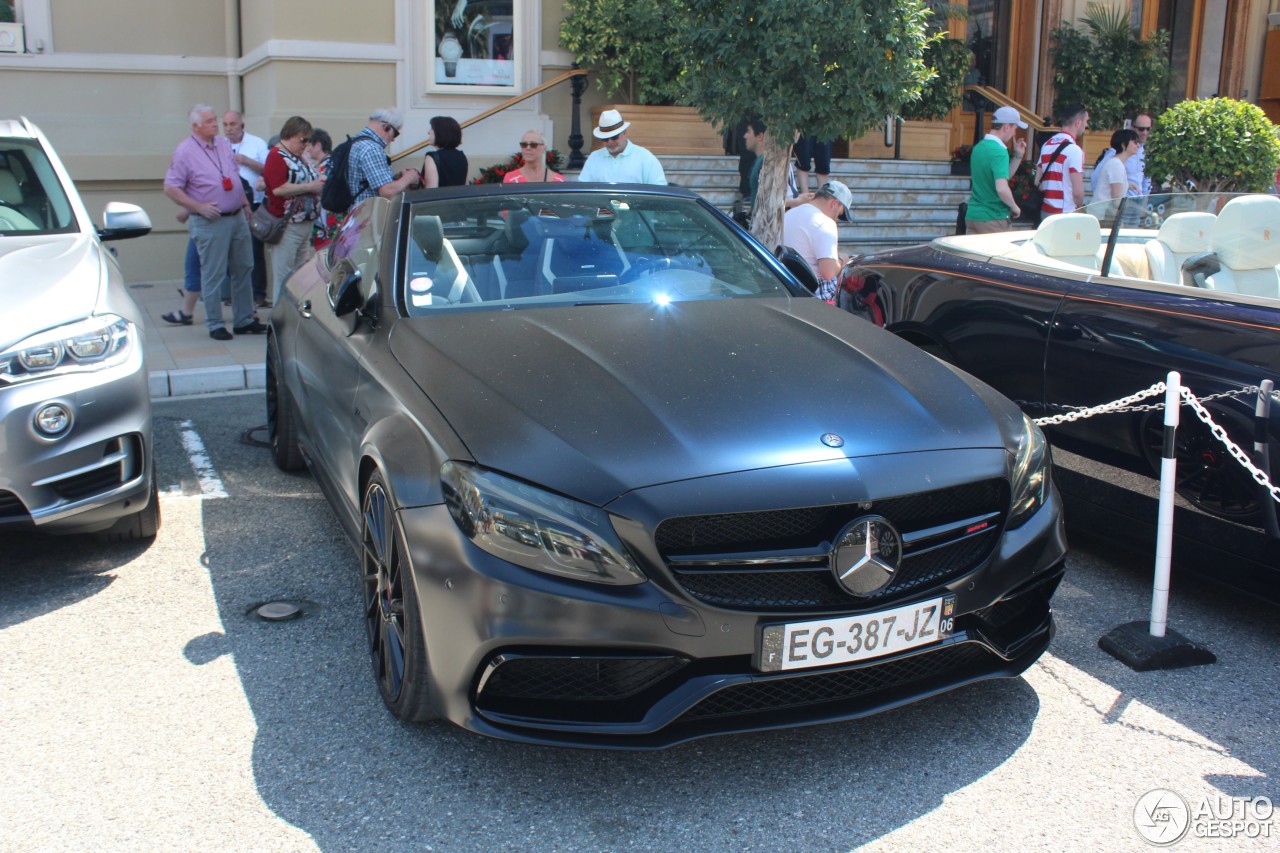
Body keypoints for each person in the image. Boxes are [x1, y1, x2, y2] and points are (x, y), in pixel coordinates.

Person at [162, 104, 264, 340]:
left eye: (214, 119)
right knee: (213, 273)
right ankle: (215, 323)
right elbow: (170, 187)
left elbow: (232, 176)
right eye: (209, 121)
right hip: (210, 220)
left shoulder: (222, 144)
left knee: (244, 267)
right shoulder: (185, 151)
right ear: (196, 126)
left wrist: (245, 204)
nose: (215, 124)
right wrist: (197, 207)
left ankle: (244, 319)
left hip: (237, 215)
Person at [263, 115, 325, 301]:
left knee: (299, 279)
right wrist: (309, 187)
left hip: (305, 224)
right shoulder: (276, 155)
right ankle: (279, 323)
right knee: (284, 279)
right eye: (303, 140)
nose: (305, 145)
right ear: (290, 134)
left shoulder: (299, 156)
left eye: (308, 141)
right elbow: (278, 188)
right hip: (288, 226)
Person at [223, 111, 271, 307]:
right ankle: (230, 294)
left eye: (233, 124)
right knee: (229, 249)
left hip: (255, 204)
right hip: (228, 205)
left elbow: (269, 170)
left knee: (253, 250)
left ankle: (258, 294)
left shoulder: (257, 143)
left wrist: (246, 161)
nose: (229, 128)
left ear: (242, 124)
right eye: (225, 124)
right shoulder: (219, 145)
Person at [782, 180, 853, 302]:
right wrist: (842, 259)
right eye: (839, 214)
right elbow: (828, 272)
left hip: (787, 285)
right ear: (834, 203)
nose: (836, 219)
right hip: (814, 293)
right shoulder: (825, 223)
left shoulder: (789, 214)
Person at [965, 105, 1029, 234]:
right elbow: (1001, 188)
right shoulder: (999, 151)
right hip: (993, 218)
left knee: (973, 255)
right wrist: (1014, 206)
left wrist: (1018, 156)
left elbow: (1003, 177)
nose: (1014, 133)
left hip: (973, 216)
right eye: (1015, 129)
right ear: (1006, 127)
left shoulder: (979, 147)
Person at [347, 107, 422, 207]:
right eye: (395, 134)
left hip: (352, 213)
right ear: (386, 126)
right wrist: (409, 177)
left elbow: (366, 180)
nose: (393, 139)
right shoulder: (372, 149)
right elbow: (387, 192)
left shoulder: (355, 142)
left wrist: (397, 177)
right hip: (366, 215)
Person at [577, 109, 667, 185]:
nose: (610, 142)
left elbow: (659, 190)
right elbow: (582, 190)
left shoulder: (645, 157)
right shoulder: (594, 158)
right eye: (605, 139)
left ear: (625, 133)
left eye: (614, 137)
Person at [1037, 103, 1089, 216]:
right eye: (1086, 122)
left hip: (1045, 211)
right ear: (1078, 122)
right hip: (1064, 213)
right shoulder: (1074, 150)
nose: (1086, 125)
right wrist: (1080, 206)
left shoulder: (1046, 145)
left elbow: (1037, 181)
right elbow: (1077, 193)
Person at [1090, 128, 1140, 209]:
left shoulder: (1116, 162)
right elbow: (1116, 200)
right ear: (1123, 145)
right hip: (1103, 216)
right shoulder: (1116, 164)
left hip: (1104, 214)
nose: (1138, 145)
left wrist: (1128, 185)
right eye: (1135, 142)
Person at [420, 115, 469, 187]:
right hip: (458, 198)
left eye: (432, 129)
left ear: (441, 132)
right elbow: (466, 187)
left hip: (441, 198)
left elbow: (431, 193)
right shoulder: (462, 156)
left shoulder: (432, 157)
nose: (428, 132)